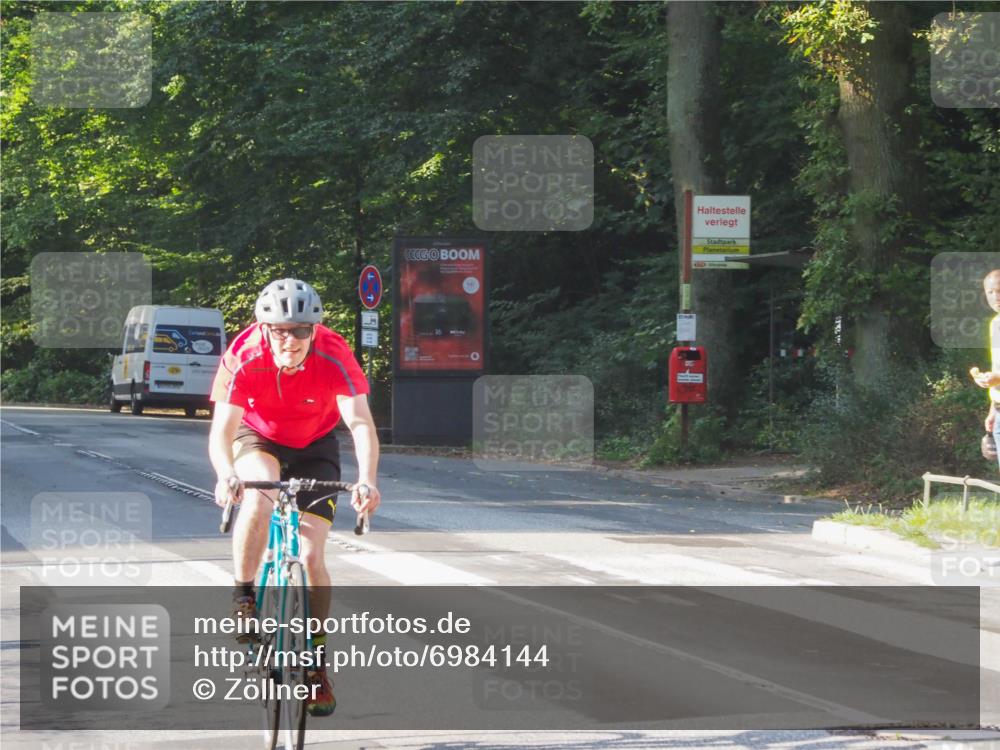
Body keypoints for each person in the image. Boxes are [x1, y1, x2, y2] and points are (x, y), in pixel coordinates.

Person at [208, 278, 381, 716]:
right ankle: (244, 595)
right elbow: (222, 431)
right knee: (259, 494)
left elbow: (360, 422)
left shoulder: (334, 353)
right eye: (280, 331)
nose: (290, 339)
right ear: (264, 329)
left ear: (314, 329)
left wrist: (367, 479)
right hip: (258, 437)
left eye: (300, 330)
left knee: (310, 555)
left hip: (315, 445)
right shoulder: (244, 354)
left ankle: (316, 665)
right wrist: (226, 475)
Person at [970, 269, 1000, 471]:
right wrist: (993, 410)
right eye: (991, 292)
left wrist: (997, 377)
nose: (996, 297)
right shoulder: (995, 324)